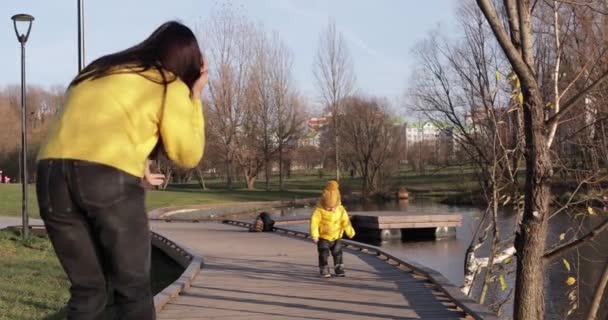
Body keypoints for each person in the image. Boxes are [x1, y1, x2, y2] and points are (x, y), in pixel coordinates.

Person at [35, 21, 207, 320]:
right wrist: (195, 98)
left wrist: (138, 165)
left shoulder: (98, 70)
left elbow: (95, 128)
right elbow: (188, 154)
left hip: (50, 178)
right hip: (106, 182)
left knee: (88, 290)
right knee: (133, 290)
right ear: (188, 62)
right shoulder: (167, 83)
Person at [309, 181, 355, 278]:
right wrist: (315, 235)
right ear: (323, 203)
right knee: (323, 253)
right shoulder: (318, 210)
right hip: (323, 236)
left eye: (333, 207)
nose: (331, 209)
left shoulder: (341, 209)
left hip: (336, 236)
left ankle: (339, 268)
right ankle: (324, 268)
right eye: (328, 208)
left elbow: (345, 221)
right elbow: (314, 223)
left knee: (337, 253)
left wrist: (350, 231)